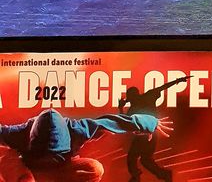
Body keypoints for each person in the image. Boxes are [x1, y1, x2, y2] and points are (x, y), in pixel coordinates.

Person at [0, 108, 171, 182]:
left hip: (62, 170)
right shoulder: (19, 133)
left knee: (95, 168)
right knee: (9, 161)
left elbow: (111, 122)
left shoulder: (78, 129)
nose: (48, 160)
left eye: (54, 155)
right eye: (45, 155)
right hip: (28, 169)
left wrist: (148, 122)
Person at [117, 78, 189, 182]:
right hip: (147, 135)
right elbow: (125, 123)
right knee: (144, 160)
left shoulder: (144, 99)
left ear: (133, 96)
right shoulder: (138, 103)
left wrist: (178, 81)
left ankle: (138, 176)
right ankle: (163, 175)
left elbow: (163, 87)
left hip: (146, 135)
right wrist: (121, 108)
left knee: (135, 158)